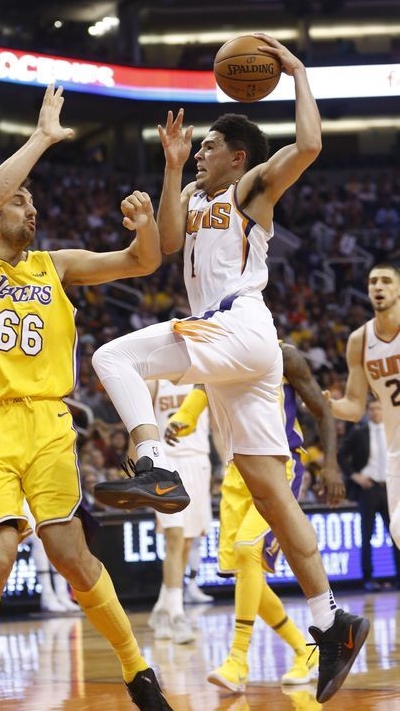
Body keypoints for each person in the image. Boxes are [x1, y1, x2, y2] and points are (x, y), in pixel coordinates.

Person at [91, 34, 369, 704]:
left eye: (208, 146)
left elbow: (308, 147)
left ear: (236, 155)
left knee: (111, 356)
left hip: (238, 322)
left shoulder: (248, 189)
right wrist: (168, 169)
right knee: (269, 492)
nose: (201, 153)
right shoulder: (190, 198)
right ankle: (333, 620)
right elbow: (158, 250)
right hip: (237, 355)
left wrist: (298, 70)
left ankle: (152, 464)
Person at [0, 85, 172, 711]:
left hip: (47, 423)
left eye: (35, 204)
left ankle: (138, 672)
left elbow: (141, 264)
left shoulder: (55, 265)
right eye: (22, 201)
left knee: (70, 554)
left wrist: (147, 227)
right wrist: (41, 139)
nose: (29, 210)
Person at [165, 343, 343, 691]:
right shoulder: (221, 354)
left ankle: (237, 660)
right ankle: (301, 650)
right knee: (247, 575)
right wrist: (183, 418)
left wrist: (332, 465)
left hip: (280, 465)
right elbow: (202, 388)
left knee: (249, 552)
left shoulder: (284, 355)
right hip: (236, 472)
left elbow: (321, 409)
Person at [328, 263, 400, 558]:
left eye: (385, 281)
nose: (378, 287)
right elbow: (355, 407)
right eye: (373, 282)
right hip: (395, 451)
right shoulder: (360, 340)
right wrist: (325, 404)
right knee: (397, 530)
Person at [145, 380, 212, 645]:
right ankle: (176, 614)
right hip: (166, 465)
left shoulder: (204, 378)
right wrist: (139, 472)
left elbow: (217, 428)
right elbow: (139, 428)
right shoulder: (155, 382)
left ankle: (163, 609)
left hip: (199, 462)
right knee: (175, 538)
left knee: (186, 542)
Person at [338, 399, 400, 591]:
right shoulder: (359, 433)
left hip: (389, 487)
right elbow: (340, 456)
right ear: (367, 412)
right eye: (371, 408)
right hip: (368, 488)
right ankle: (368, 578)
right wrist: (355, 476)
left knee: (396, 533)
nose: (374, 412)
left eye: (378, 408)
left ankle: (399, 578)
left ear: (384, 410)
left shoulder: (393, 430)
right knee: (367, 535)